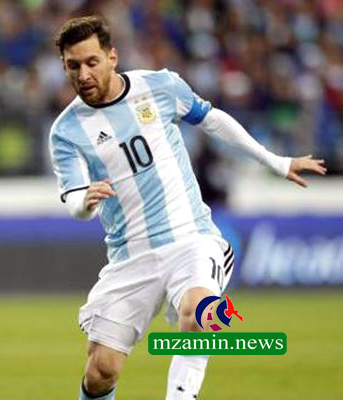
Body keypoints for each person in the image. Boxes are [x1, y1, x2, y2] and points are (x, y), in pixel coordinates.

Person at [48, 16, 326, 400]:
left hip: (189, 238)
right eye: (73, 66)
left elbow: (213, 120)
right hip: (131, 255)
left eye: (91, 62)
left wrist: (276, 161)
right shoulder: (66, 131)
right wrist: (85, 202)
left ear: (112, 57)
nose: (83, 74)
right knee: (101, 372)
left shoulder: (159, 86)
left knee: (200, 313)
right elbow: (74, 200)